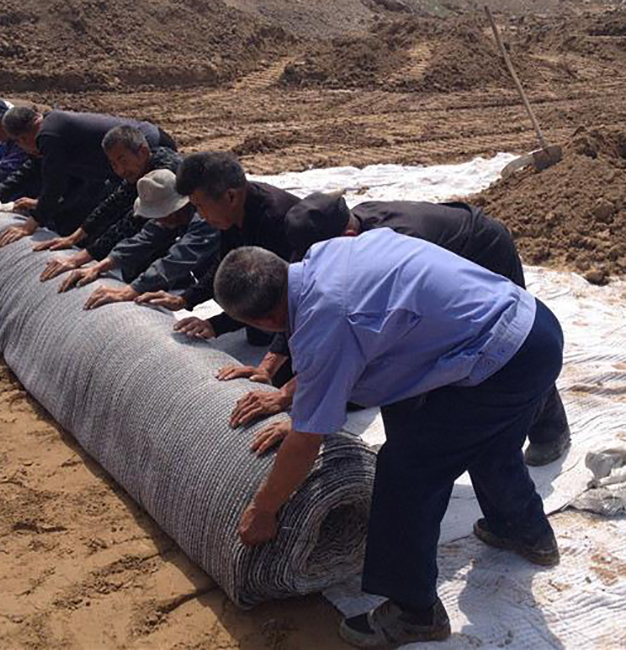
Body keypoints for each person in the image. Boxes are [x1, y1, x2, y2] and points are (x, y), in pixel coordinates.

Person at [213, 238, 564, 648]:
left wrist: (264, 507)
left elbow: (308, 440)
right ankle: (524, 530)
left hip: (503, 357)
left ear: (268, 320)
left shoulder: (325, 320)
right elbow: (356, 352)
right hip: (531, 326)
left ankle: (414, 613)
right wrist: (304, 401)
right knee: (487, 441)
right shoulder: (325, 257)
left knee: (406, 469)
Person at [227, 192, 571, 466]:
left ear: (346, 236)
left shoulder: (395, 244)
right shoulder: (342, 249)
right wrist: (277, 374)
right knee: (415, 376)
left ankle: (549, 428)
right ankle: (431, 450)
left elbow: (345, 342)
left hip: (482, 250)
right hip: (439, 283)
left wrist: (304, 411)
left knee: (510, 351)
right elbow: (304, 314)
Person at [132, 151, 300, 346]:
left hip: (308, 300)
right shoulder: (231, 215)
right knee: (257, 334)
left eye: (201, 206)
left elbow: (281, 294)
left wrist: (216, 325)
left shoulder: (274, 220)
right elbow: (225, 264)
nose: (201, 216)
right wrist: (185, 300)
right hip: (282, 292)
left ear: (230, 196)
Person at [0, 108, 175, 247]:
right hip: (137, 152)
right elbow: (73, 185)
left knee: (147, 213)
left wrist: (30, 225)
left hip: (148, 146)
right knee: (115, 209)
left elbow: (54, 183)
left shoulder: (48, 135)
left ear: (23, 139)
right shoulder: (56, 128)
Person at [57, 169, 220, 310]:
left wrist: (132, 290)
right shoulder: (174, 217)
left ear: (173, 212)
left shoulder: (206, 217)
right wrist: (100, 266)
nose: (157, 221)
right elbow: (143, 239)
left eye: (158, 215)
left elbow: (179, 258)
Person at [38, 125, 182, 281]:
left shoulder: (165, 175)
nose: (120, 170)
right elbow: (114, 203)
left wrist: (81, 259)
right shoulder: (141, 167)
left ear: (143, 152)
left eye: (123, 161)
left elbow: (133, 222)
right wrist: (73, 238)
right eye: (114, 164)